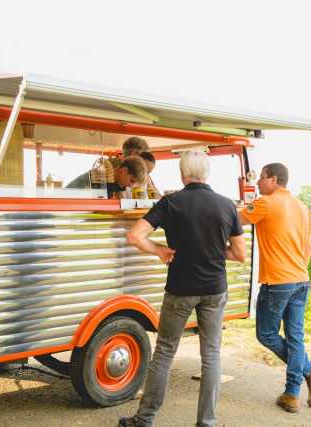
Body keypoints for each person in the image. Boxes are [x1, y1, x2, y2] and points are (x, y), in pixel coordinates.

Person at [118, 150, 247, 427]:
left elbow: (135, 236)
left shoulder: (170, 202)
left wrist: (159, 250)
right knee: (211, 355)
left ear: (182, 174)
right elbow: (239, 254)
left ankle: (145, 419)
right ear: (207, 174)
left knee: (164, 352)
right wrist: (213, 250)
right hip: (215, 289)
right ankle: (207, 422)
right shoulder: (227, 206)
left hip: (180, 288)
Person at [238, 163, 311, 413]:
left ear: (273, 179)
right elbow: (308, 248)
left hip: (278, 281)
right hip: (301, 279)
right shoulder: (301, 207)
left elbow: (235, 219)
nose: (257, 184)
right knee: (295, 338)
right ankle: (291, 395)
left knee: (266, 334)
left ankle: (310, 368)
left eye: (261, 179)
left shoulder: (266, 202)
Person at [66, 155, 147, 199]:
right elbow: (69, 193)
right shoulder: (99, 178)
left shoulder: (116, 187)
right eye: (131, 181)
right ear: (124, 171)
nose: (130, 186)